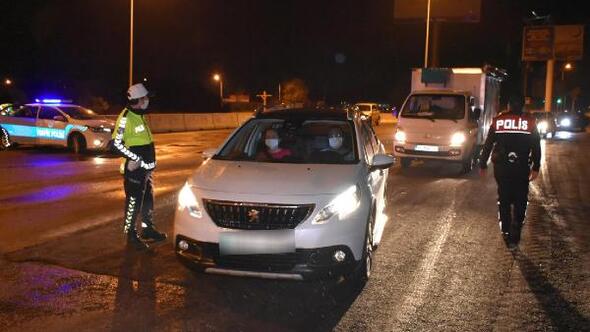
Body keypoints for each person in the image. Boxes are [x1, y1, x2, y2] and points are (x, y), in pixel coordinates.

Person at [479, 93, 541, 248]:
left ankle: (506, 230)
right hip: (521, 168)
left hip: (502, 168)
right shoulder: (530, 122)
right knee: (521, 200)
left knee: (504, 198)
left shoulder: (498, 121)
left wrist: (482, 164)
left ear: (508, 106)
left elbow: (488, 144)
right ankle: (515, 232)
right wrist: (536, 167)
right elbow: (536, 147)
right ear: (522, 106)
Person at [112, 83, 167, 251]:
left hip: (146, 171)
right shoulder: (126, 117)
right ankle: (130, 234)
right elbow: (115, 144)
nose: (148, 101)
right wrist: (134, 158)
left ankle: (147, 228)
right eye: (145, 98)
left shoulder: (139, 114)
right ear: (139, 100)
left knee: (147, 200)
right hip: (135, 172)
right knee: (133, 202)